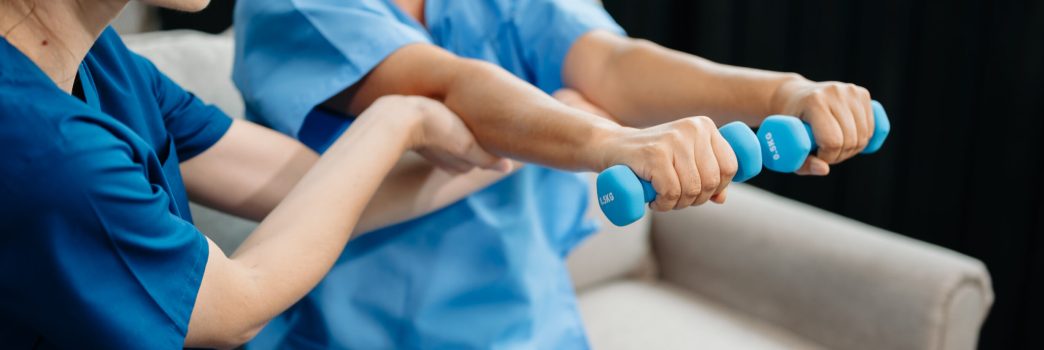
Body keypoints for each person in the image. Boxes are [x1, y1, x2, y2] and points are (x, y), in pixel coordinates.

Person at [234, 0, 877, 348]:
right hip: (364, 334)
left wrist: (782, 94)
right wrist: (613, 140)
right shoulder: (293, 8)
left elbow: (616, 65)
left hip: (533, 325)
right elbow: (451, 88)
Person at [0, 0, 512, 348]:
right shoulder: (46, 143)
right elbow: (238, 305)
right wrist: (396, 120)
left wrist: (516, 148)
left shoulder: (103, 61)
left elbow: (316, 187)